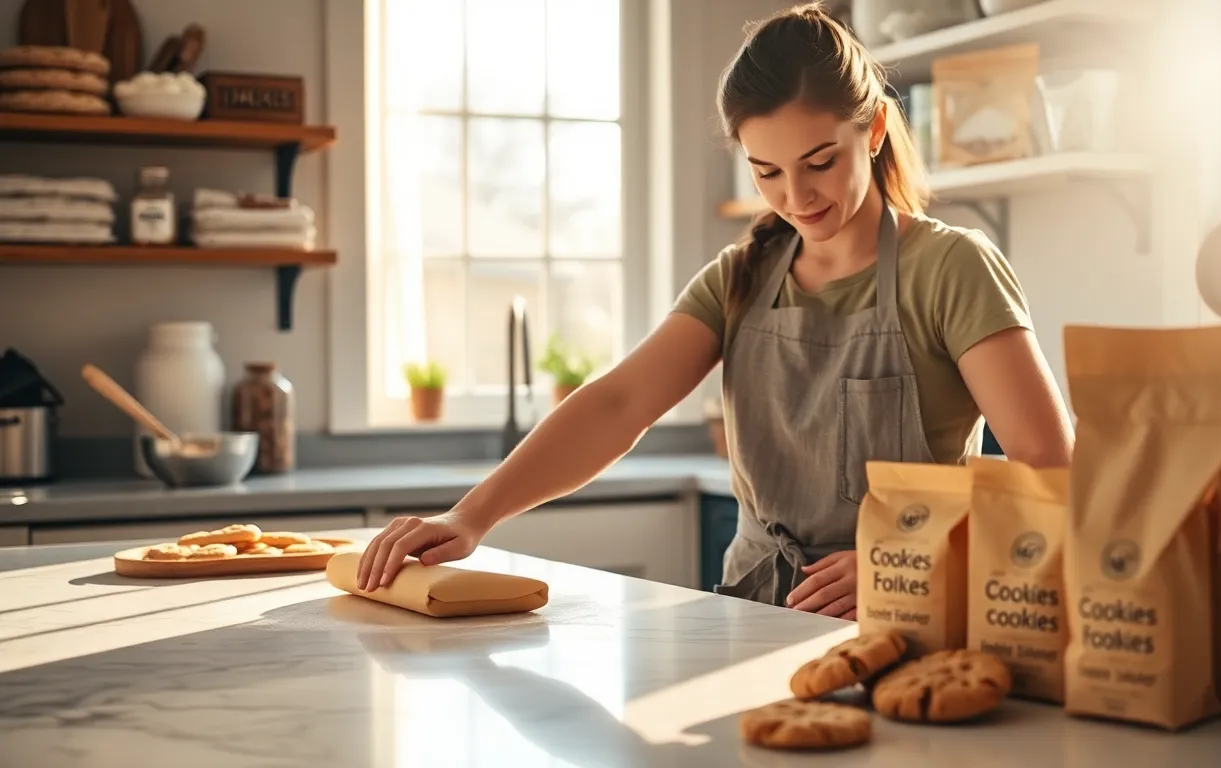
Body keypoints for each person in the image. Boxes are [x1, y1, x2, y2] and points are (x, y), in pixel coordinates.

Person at [356, 3, 1075, 618]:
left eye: (820, 161)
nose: (796, 197)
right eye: (767, 172)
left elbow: (1051, 463)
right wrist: (471, 516)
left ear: (877, 129)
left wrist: (909, 556)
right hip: (751, 610)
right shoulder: (742, 277)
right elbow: (618, 404)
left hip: (908, 611)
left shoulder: (952, 267)